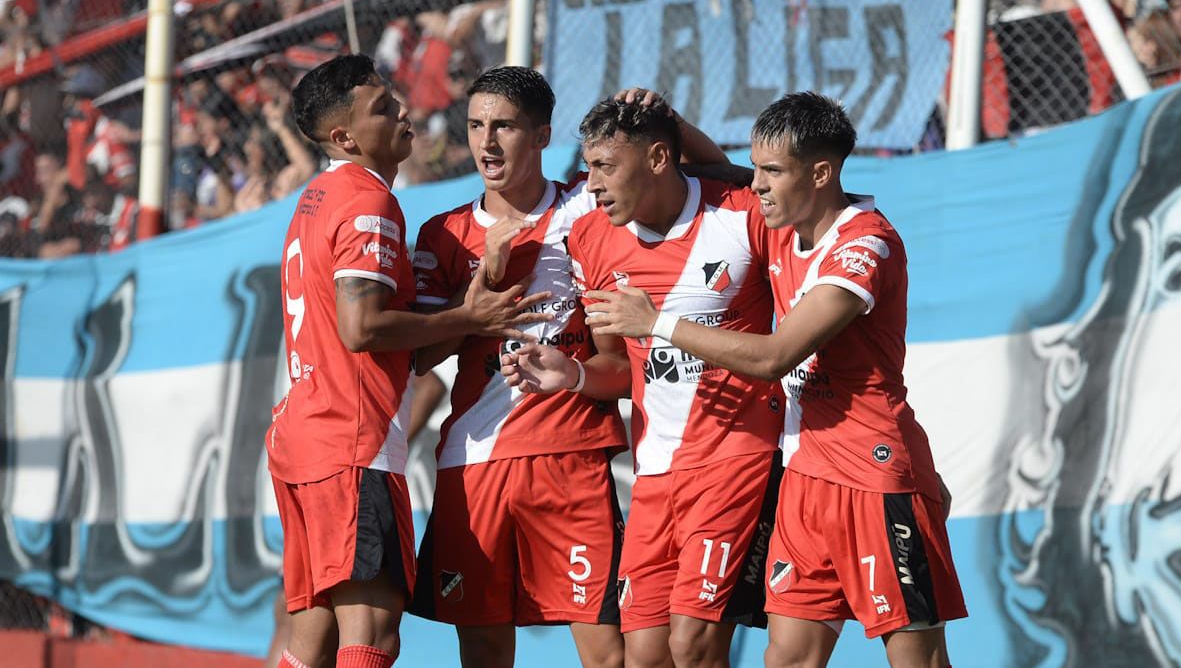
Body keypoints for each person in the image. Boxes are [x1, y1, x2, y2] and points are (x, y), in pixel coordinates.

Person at [574, 92, 967, 668]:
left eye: (770, 172)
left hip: (871, 470)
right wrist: (669, 118)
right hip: (803, 475)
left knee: (917, 659)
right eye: (755, 169)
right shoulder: (782, 222)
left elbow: (775, 356)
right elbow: (709, 173)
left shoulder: (864, 245)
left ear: (821, 173)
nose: (752, 184)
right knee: (786, 659)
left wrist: (656, 321)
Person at [265, 53, 551, 668]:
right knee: (372, 632)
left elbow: (398, 341)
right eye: (380, 108)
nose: (401, 110)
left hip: (303, 436)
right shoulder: (370, 202)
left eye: (394, 98)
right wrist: (471, 318)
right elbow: (362, 327)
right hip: (350, 439)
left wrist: (460, 306)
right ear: (343, 136)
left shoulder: (316, 195)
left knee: (311, 639)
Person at [501, 94, 782, 668]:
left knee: (694, 645)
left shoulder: (741, 213)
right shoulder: (592, 240)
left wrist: (678, 120)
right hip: (655, 473)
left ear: (658, 158)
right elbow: (621, 371)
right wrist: (572, 374)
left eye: (605, 167)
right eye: (589, 167)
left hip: (738, 459)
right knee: (645, 656)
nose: (592, 184)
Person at [404, 65, 632, 668]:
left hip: (570, 457)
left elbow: (691, 173)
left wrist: (671, 124)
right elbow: (420, 356)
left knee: (608, 650)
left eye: (504, 126)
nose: (486, 142)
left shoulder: (591, 207)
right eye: (476, 125)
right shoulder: (446, 232)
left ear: (542, 135)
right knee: (482, 649)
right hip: (474, 465)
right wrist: (481, 287)